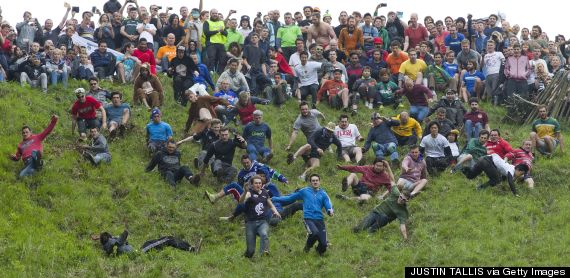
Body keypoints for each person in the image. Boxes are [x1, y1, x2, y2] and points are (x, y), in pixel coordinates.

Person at [271, 174, 334, 256]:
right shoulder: (304, 191)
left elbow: (328, 205)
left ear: (319, 182)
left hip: (319, 220)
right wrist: (274, 199)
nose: (315, 182)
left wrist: (330, 211)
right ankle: (307, 248)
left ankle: (318, 251)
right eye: (313, 181)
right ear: (310, 182)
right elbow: (290, 198)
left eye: (316, 181)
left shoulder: (323, 194)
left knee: (324, 244)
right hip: (309, 218)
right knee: (314, 233)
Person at [240, 175, 280, 258]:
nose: (258, 185)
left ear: (262, 184)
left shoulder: (265, 193)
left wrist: (276, 212)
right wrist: (244, 192)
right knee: (251, 251)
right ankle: (246, 256)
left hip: (263, 221)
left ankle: (265, 252)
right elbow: (241, 201)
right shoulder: (249, 193)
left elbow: (271, 205)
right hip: (250, 223)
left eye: (260, 183)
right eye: (256, 183)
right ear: (252, 184)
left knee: (264, 234)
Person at [461, 154, 529, 196]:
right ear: (518, 170)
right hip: (487, 160)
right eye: (521, 173)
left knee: (470, 176)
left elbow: (504, 178)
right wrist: (515, 193)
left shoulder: (509, 167)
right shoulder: (511, 169)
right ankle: (480, 188)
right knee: (497, 180)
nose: (520, 175)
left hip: (482, 159)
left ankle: (464, 168)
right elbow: (510, 181)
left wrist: (503, 188)